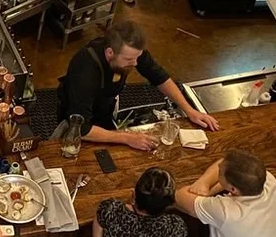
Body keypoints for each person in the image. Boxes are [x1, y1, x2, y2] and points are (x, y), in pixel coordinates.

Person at [56, 21, 220, 151]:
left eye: (137, 57)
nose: (135, 63)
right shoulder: (85, 70)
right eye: (129, 60)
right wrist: (127, 138)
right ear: (110, 52)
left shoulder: (131, 53)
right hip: (76, 121)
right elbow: (82, 129)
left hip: (104, 110)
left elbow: (158, 76)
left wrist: (189, 110)